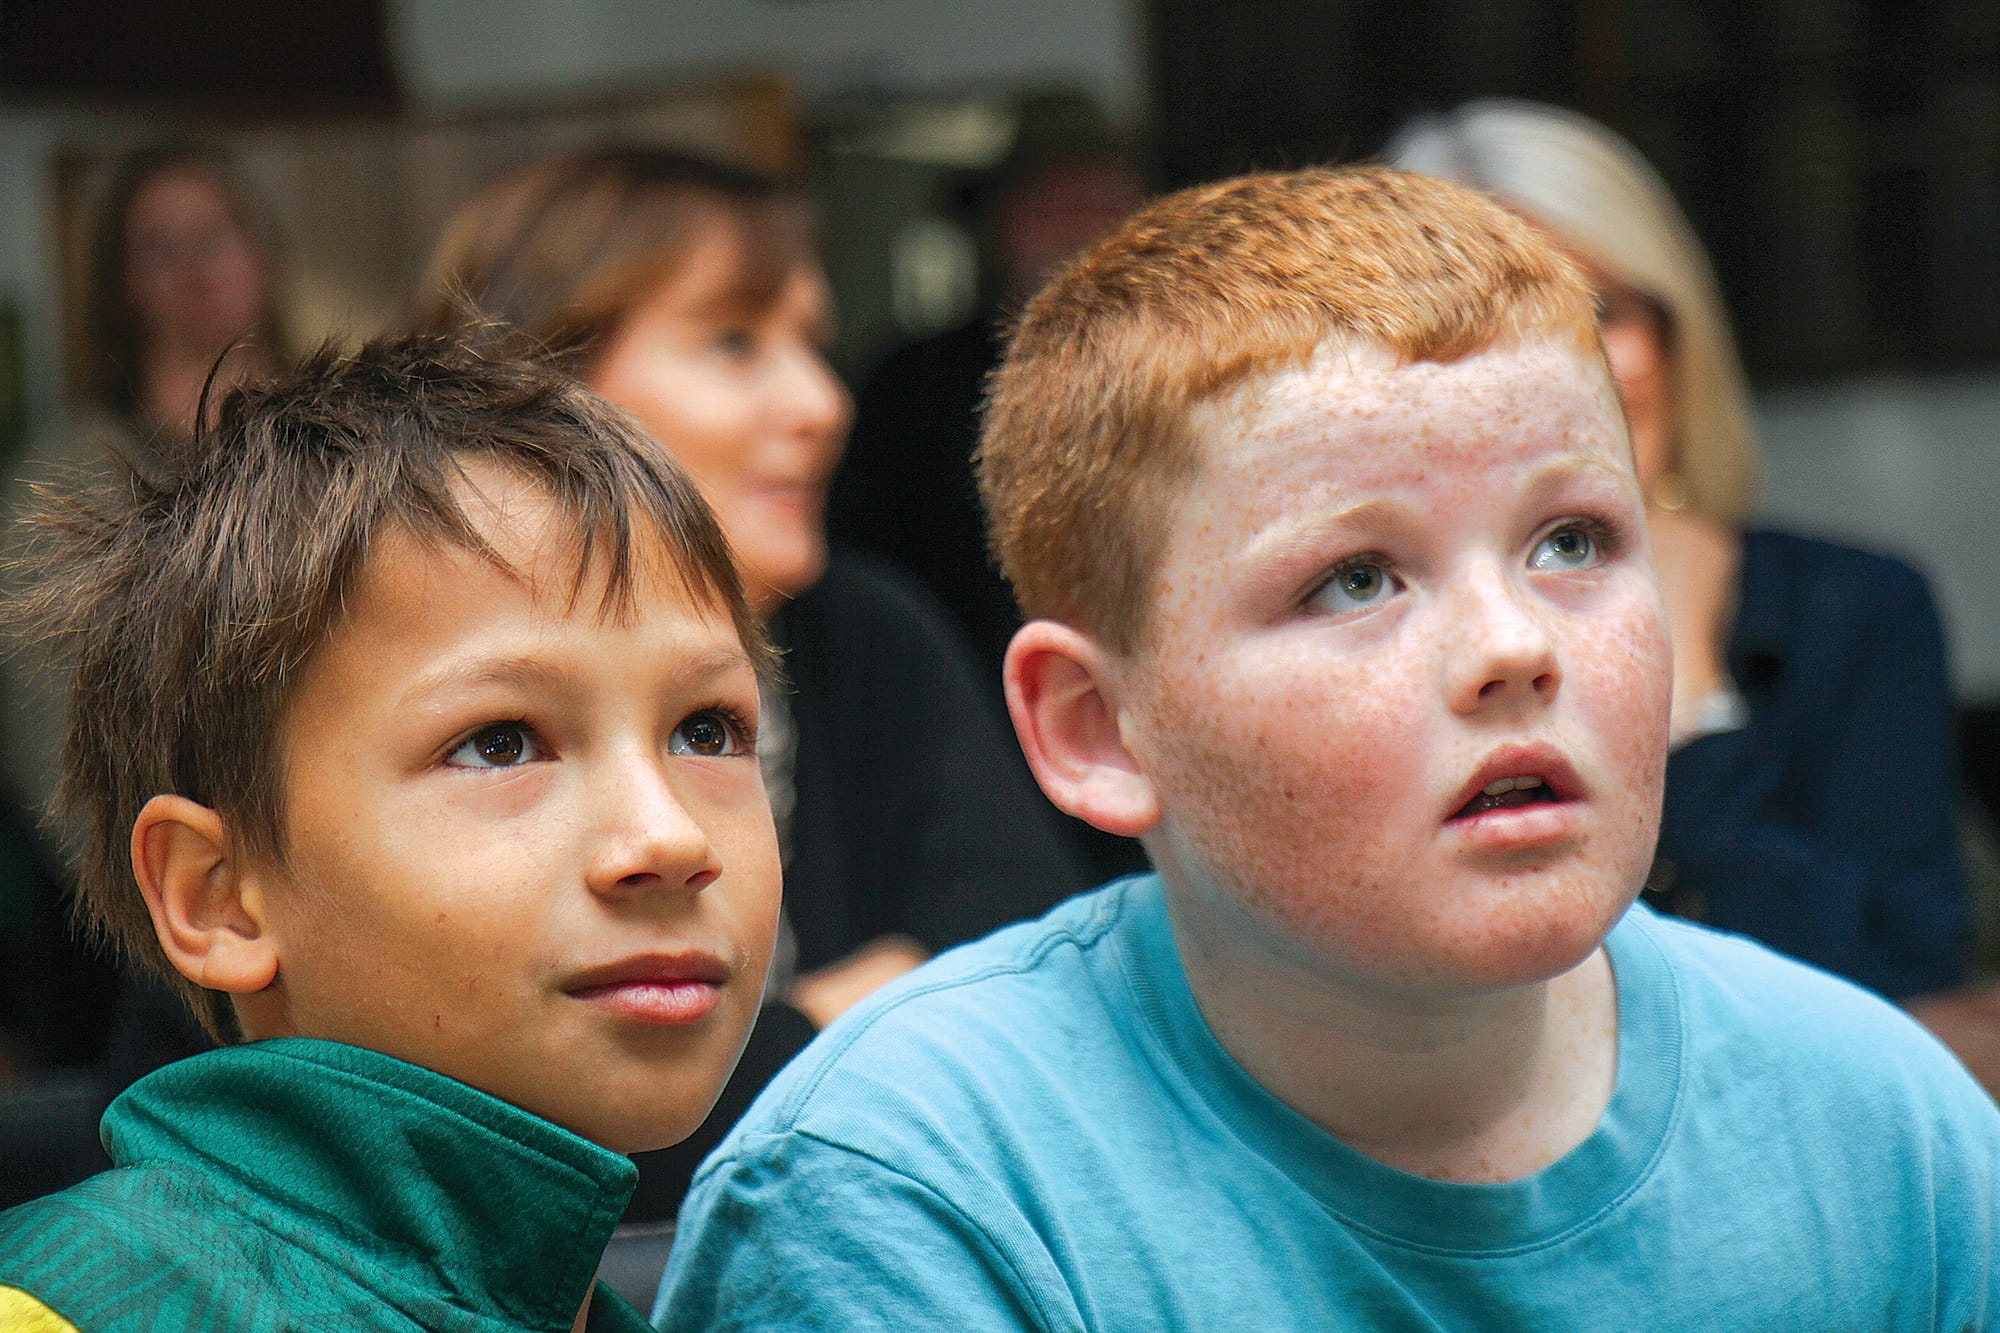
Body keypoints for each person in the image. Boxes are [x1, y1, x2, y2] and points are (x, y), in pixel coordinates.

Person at [655, 166, 2000, 1330]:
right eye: (1355, 579)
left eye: (1572, 541)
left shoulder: (1890, 1137)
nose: (1511, 644)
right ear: (1101, 729)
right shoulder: (907, 1192)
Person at [0, 331, 782, 1331]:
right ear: (219, 895)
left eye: (706, 729)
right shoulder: (77, 1306)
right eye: (500, 743)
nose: (669, 837)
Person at [417, 147, 1089, 1214]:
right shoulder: (413, 661)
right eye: (733, 342)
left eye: (809, 345)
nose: (820, 401)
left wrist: (734, 1045)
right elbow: (486, 1130)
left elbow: (1032, 991)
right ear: (546, 380)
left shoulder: (863, 635)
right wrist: (833, 1018)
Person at [1384, 100, 1974, 1004]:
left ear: (1673, 333)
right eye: (1504, 319)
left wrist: (1692, 694)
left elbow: (1884, 989)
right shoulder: (1375, 640)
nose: (1570, 359)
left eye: (1603, 309)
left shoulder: (1855, 609)